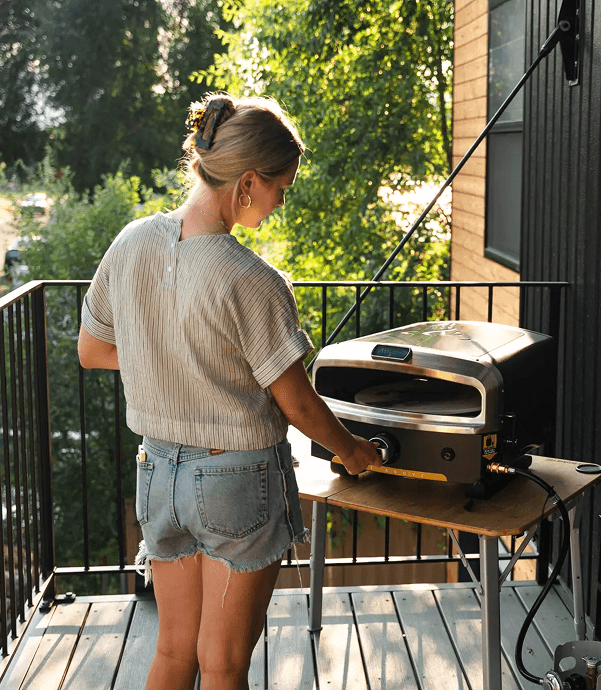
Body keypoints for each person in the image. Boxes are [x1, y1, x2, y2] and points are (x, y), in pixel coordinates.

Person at [76, 93, 381, 690]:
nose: (281, 201)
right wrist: (353, 452)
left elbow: (92, 351)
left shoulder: (131, 241)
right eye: (280, 187)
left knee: (171, 655)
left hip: (157, 472)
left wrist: (169, 367)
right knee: (223, 665)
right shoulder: (253, 280)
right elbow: (297, 404)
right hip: (235, 481)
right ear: (247, 184)